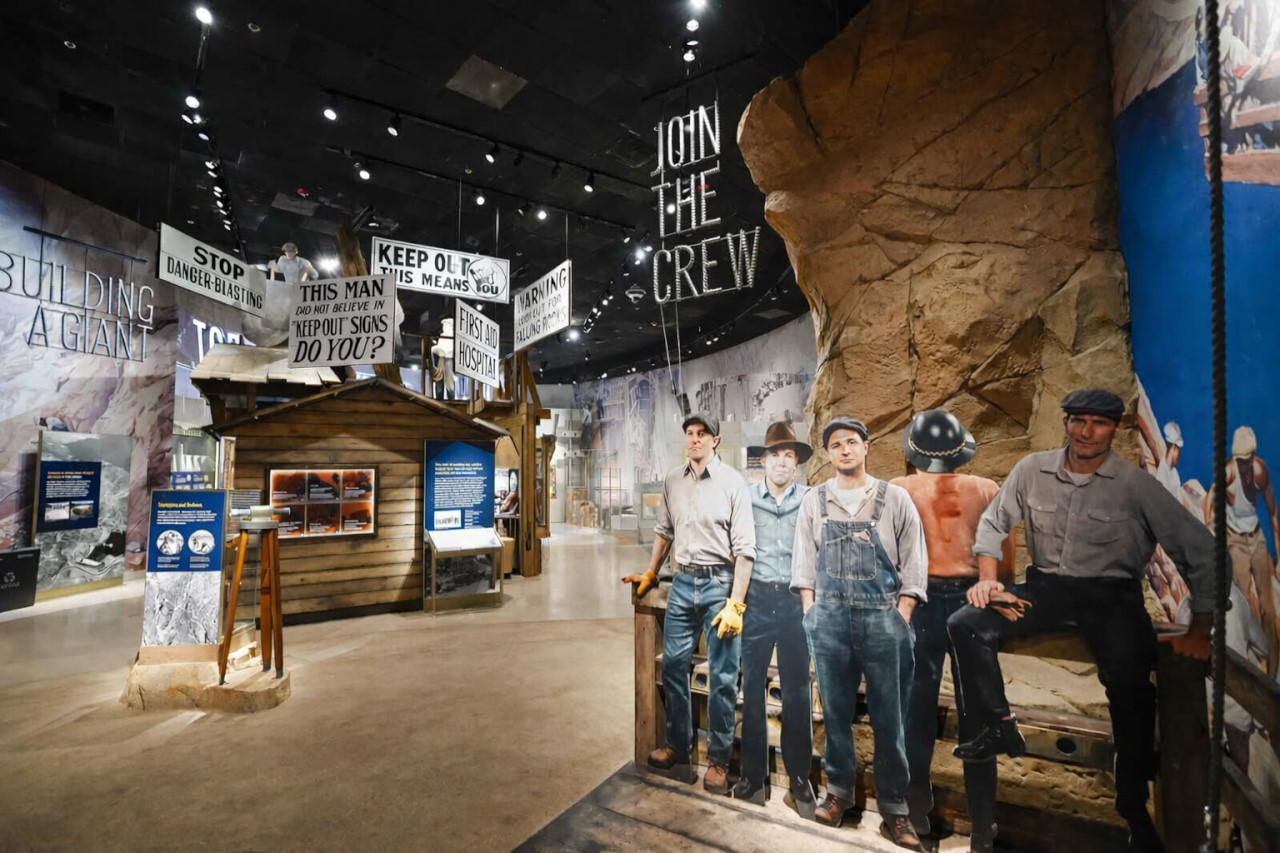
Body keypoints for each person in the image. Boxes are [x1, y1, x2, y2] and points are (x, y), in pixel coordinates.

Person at [946, 388, 1215, 853]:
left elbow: (1201, 553)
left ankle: (1133, 809)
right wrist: (988, 580)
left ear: (1115, 428)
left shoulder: (1135, 486)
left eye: (1099, 423)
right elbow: (993, 523)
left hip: (1112, 597)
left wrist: (1200, 630)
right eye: (1078, 421)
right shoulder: (1032, 470)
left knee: (1131, 690)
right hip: (1047, 589)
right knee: (966, 623)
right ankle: (999, 724)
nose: (1087, 432)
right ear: (1066, 422)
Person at [791, 416, 928, 851]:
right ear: (829, 453)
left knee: (891, 718)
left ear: (866, 447)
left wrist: (902, 614)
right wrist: (811, 612)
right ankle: (839, 794)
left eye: (851, 442)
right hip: (829, 621)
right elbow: (803, 562)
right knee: (835, 714)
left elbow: (915, 562)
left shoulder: (895, 498)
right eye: (836, 445)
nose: (844, 450)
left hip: (884, 621)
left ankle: (896, 808)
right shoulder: (815, 501)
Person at [891, 409, 1013, 853]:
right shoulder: (986, 489)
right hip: (972, 603)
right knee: (978, 717)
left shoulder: (899, 489)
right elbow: (1005, 563)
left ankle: (915, 816)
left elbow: (888, 556)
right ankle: (981, 828)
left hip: (918, 601)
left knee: (915, 713)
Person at [621, 412, 755, 795]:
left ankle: (718, 761)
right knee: (673, 666)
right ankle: (678, 746)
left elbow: (745, 550)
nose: (694, 439)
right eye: (690, 433)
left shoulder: (733, 483)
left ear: (715, 440)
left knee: (723, 675)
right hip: (682, 582)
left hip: (719, 584)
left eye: (702, 433)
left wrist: (736, 603)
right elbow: (664, 531)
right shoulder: (673, 481)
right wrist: (651, 572)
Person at [733, 421, 816, 816]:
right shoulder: (746, 499)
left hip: (796, 601)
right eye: (775, 455)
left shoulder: (811, 500)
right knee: (751, 687)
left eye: (788, 456)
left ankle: (799, 781)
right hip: (757, 598)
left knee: (798, 691)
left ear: (795, 462)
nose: (782, 462)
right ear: (763, 461)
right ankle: (753, 778)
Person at [1207, 425, 1279, 677]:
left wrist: (1278, 553)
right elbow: (1211, 498)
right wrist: (1211, 531)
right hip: (1235, 540)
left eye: (1247, 461)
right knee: (1245, 603)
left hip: (1256, 538)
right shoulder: (1228, 472)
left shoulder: (1260, 471)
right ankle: (1252, 668)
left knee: (1268, 608)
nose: (1244, 467)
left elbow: (1272, 513)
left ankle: (1272, 674)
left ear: (1253, 457)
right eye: (1241, 461)